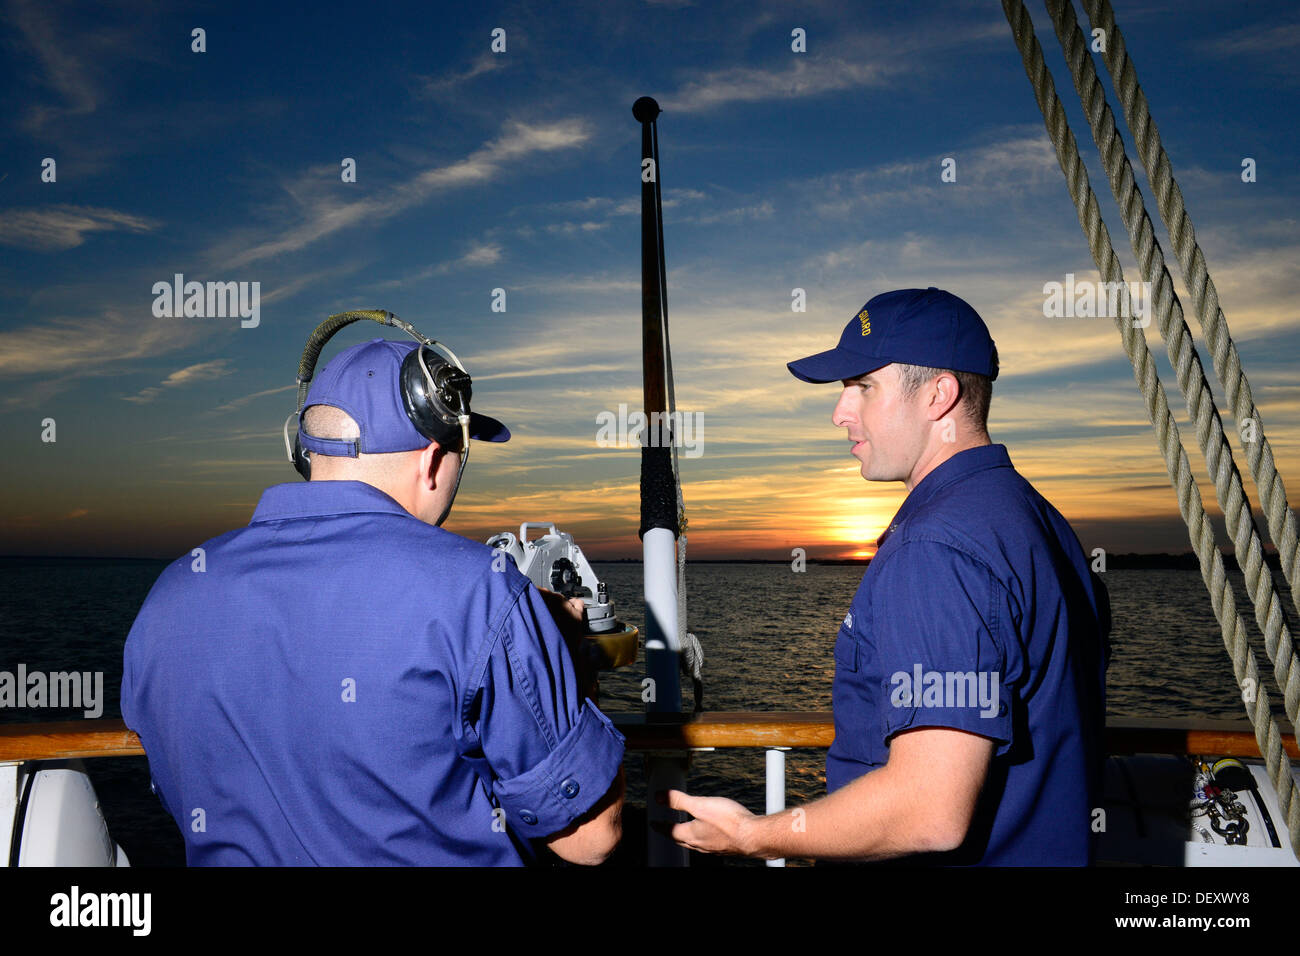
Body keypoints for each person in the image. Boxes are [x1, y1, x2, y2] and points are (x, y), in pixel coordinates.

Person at [122, 336, 625, 865]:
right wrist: (565, 658)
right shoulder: (482, 589)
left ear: (304, 449)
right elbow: (591, 839)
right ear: (433, 460)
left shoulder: (172, 592)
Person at [667, 287, 1109, 865]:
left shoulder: (936, 548)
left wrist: (755, 834)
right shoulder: (1036, 519)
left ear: (938, 395)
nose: (839, 412)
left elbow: (929, 811)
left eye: (863, 386)